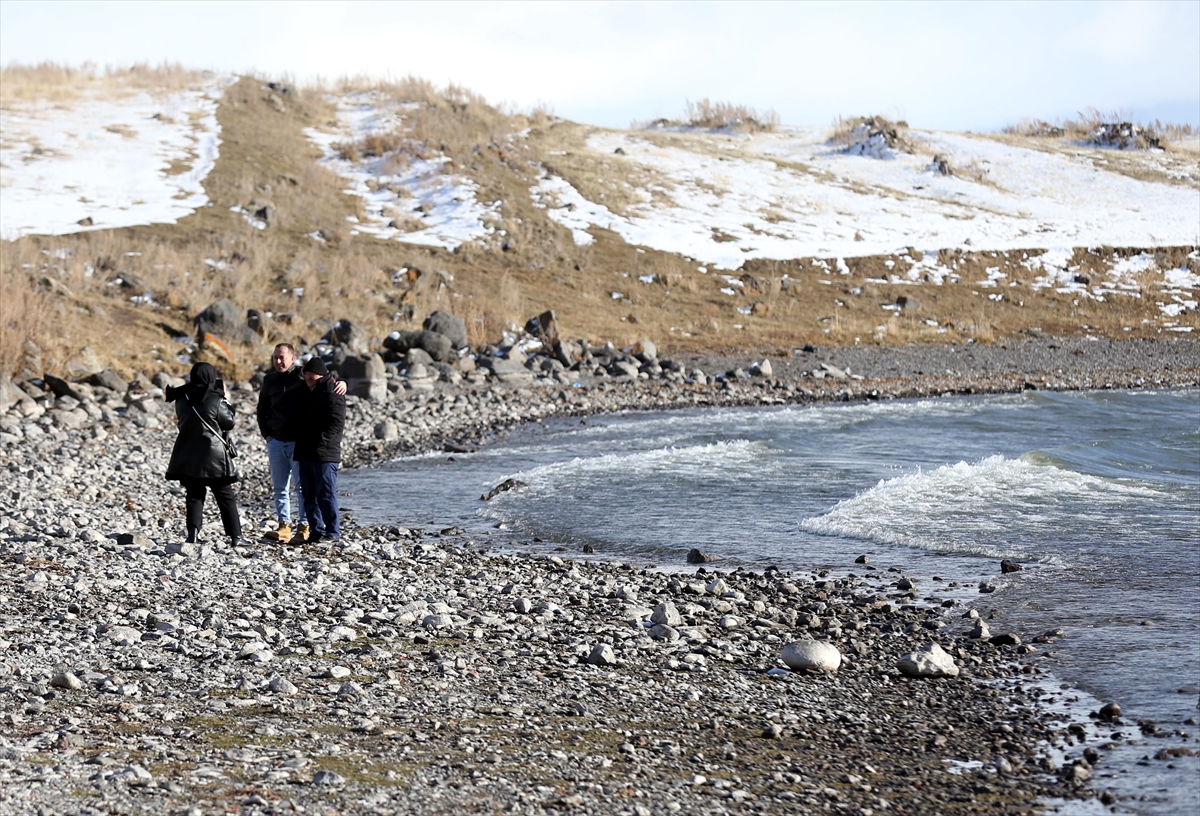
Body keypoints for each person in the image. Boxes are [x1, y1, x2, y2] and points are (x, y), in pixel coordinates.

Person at [256, 343, 345, 543]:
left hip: (299, 443)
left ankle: (306, 527)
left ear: (292, 358)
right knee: (281, 487)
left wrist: (343, 381)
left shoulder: (302, 376)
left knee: (305, 489)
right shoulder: (269, 380)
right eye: (275, 357)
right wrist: (266, 435)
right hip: (276, 441)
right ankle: (284, 525)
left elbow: (324, 380)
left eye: (282, 357)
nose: (278, 361)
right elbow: (261, 408)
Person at [165, 362, 243, 545]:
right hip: (214, 457)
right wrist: (226, 399)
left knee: (194, 495)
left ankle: (193, 534)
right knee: (225, 496)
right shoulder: (216, 400)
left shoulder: (182, 399)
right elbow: (229, 423)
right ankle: (236, 537)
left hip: (189, 455)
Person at [292, 357, 346, 543]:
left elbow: (336, 424)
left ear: (321, 375)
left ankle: (332, 532)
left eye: (311, 376)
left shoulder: (333, 391)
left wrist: (319, 442)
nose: (308, 379)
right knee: (309, 495)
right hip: (305, 452)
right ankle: (316, 531)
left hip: (325, 453)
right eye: (306, 375)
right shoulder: (306, 390)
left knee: (326, 494)